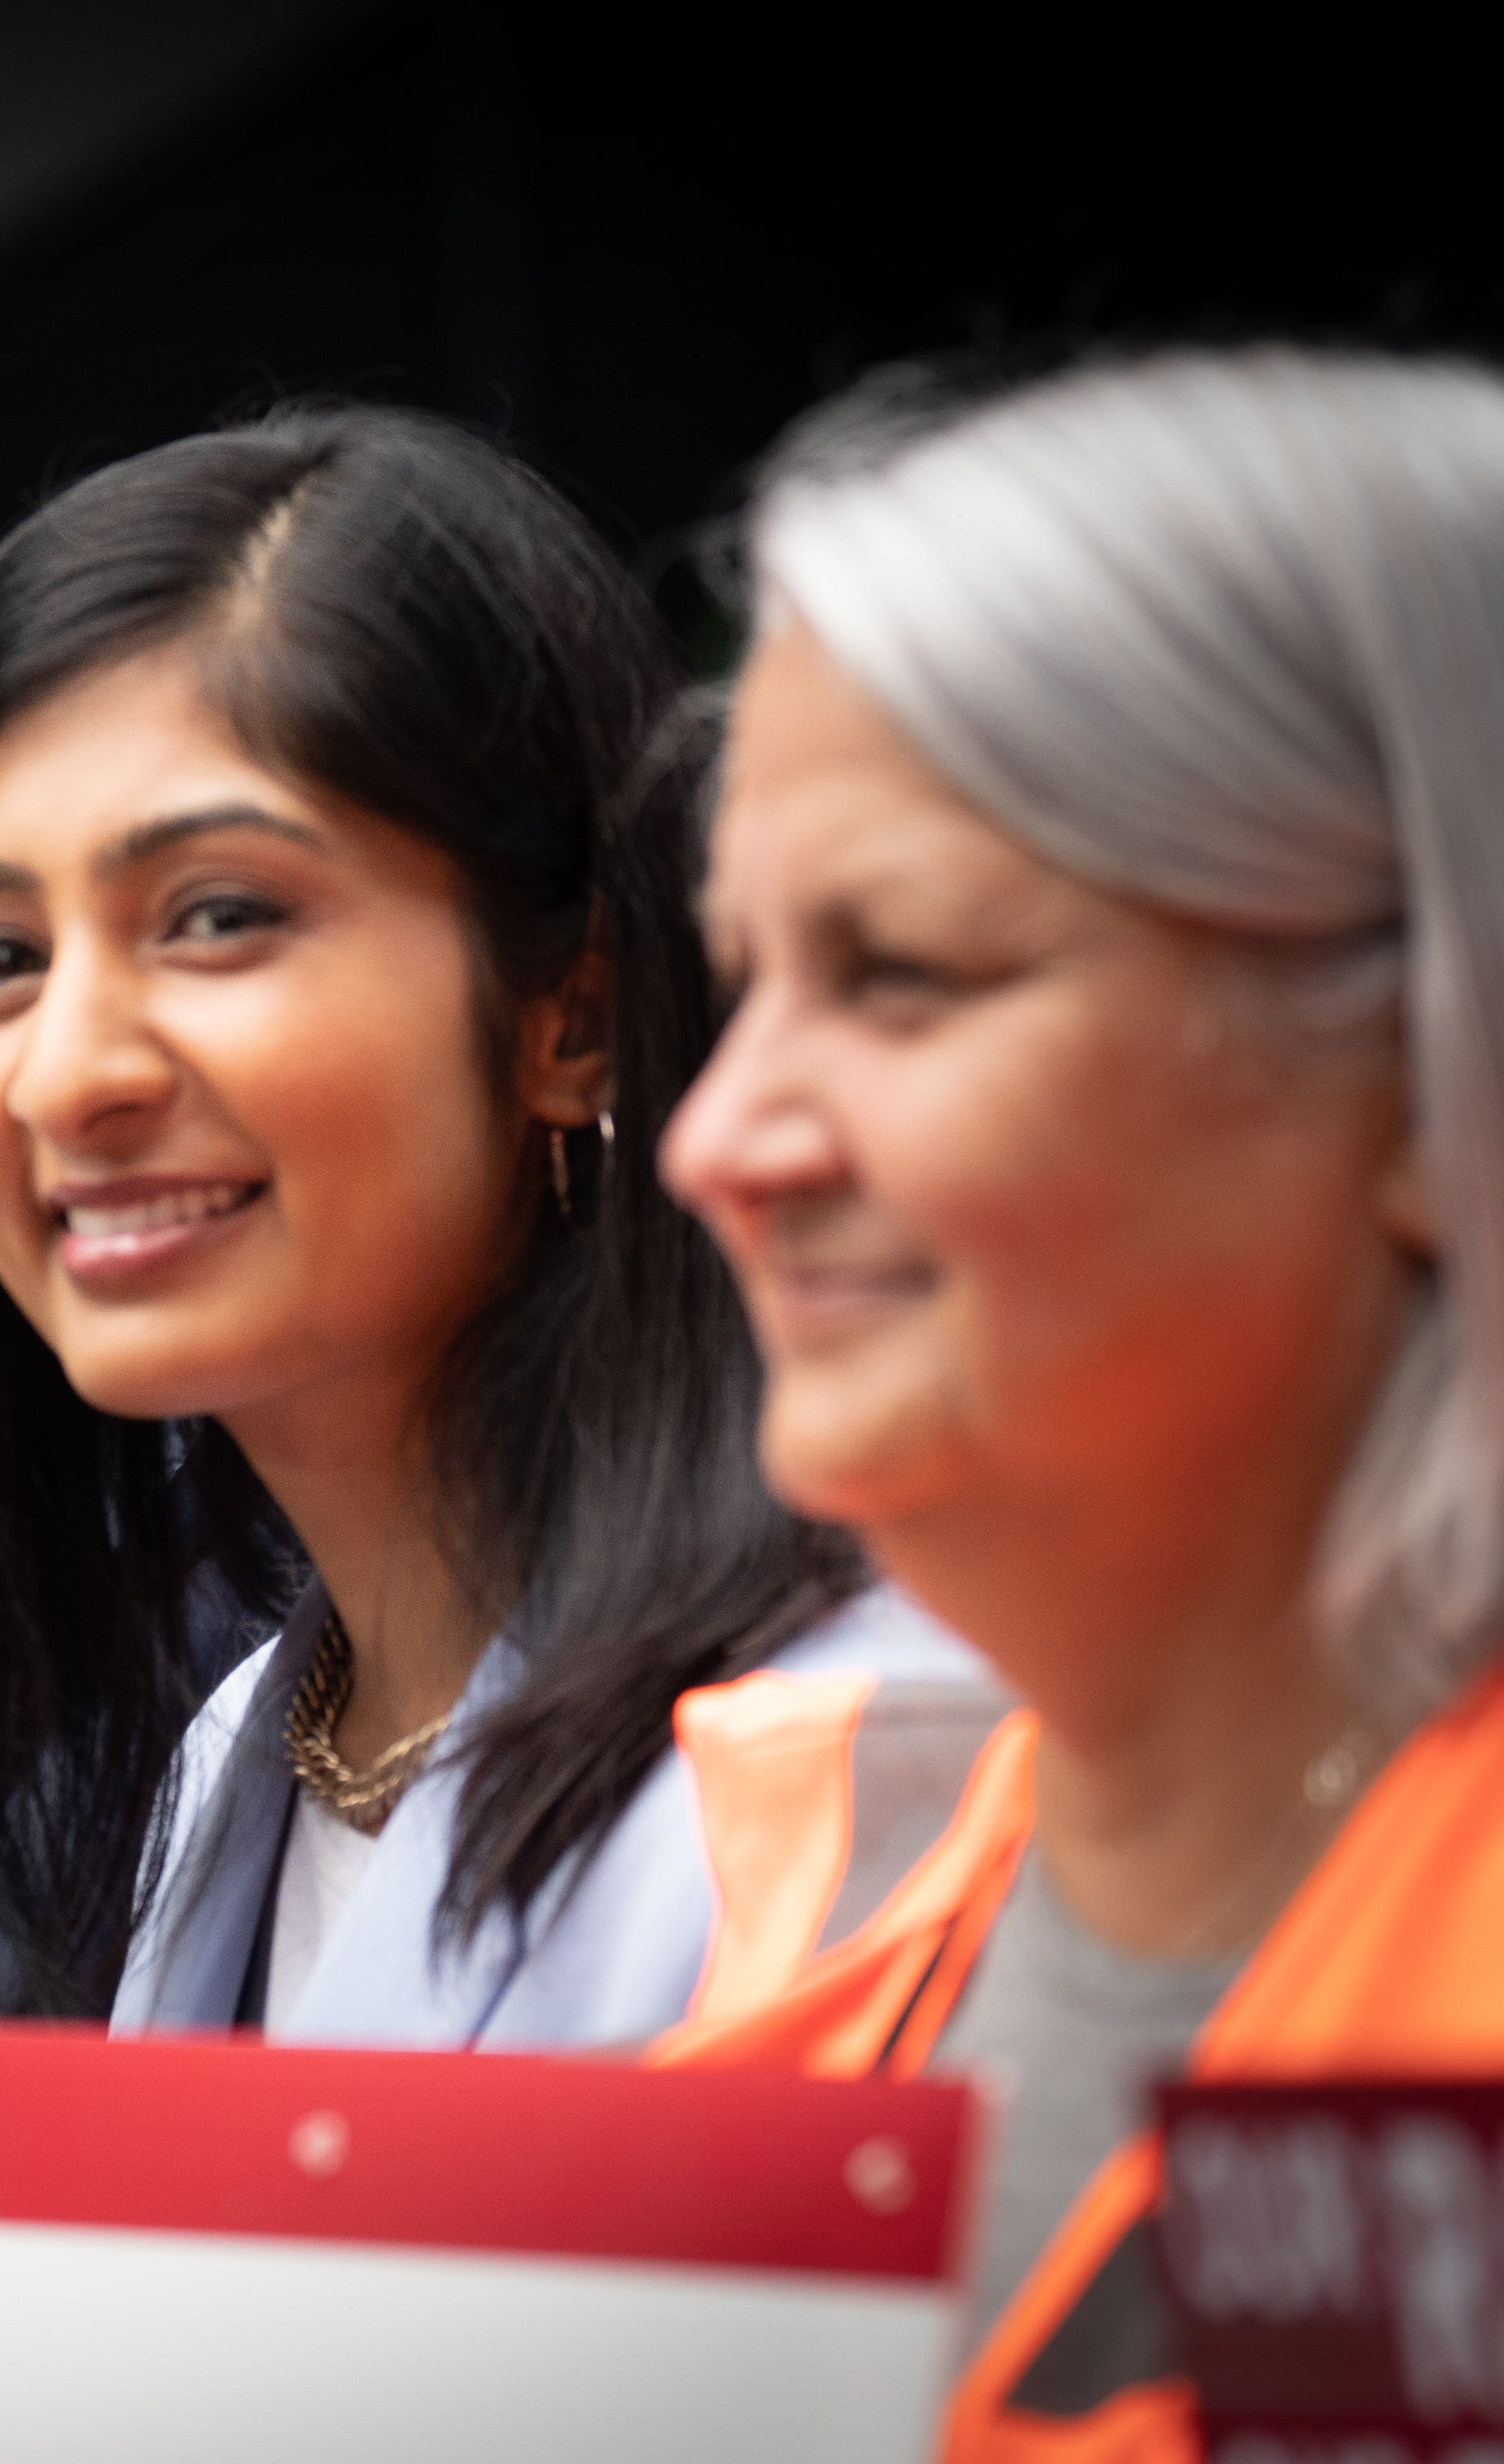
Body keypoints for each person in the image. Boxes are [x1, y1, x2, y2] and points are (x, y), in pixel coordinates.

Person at [0, 408, 982, 2460]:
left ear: (573, 1011)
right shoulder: (198, 1774)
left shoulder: (890, 1762)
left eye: (218, 917)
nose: (69, 1069)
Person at [654, 349, 1504, 2459]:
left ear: (1422, 1062)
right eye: (740, 973)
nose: (719, 1135)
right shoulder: (796, 1892)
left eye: (904, 972)